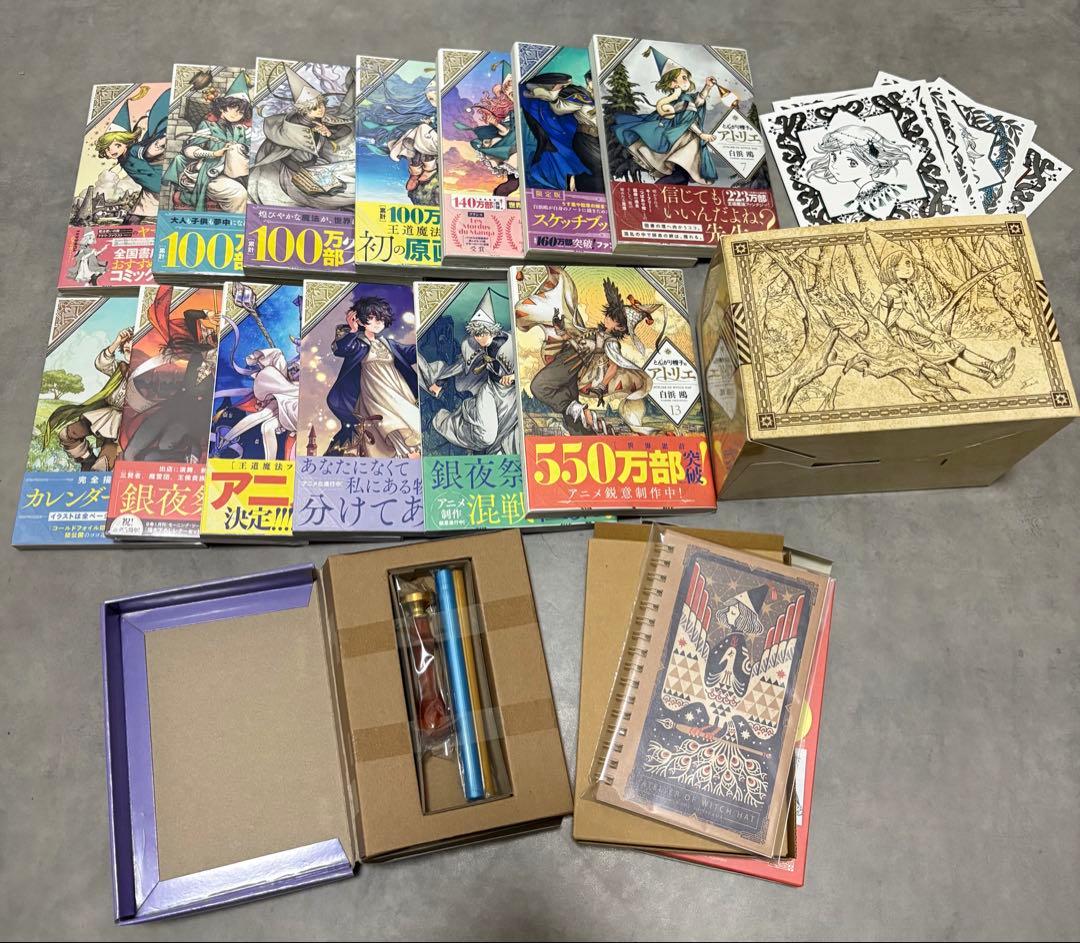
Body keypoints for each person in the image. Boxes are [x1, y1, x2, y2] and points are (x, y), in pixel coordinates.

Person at [876, 249, 1015, 388]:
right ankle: (990, 377)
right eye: (903, 264)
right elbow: (905, 323)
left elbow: (922, 317)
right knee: (948, 354)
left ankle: (994, 367)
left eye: (910, 263)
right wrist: (931, 336)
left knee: (954, 346)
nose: (909, 268)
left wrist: (935, 330)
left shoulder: (909, 288)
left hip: (919, 334)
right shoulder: (892, 292)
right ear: (892, 269)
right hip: (905, 339)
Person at [419, 290, 518, 455]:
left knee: (503, 440)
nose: (479, 338)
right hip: (490, 389)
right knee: (486, 436)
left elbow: (528, 364)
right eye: (476, 334)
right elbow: (459, 366)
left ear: (492, 330)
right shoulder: (473, 345)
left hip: (510, 398)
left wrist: (514, 376)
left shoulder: (510, 343)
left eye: (482, 333)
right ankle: (445, 419)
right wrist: (438, 383)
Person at [611, 47, 728, 186]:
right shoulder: (680, 100)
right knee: (681, 171)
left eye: (687, 77)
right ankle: (660, 191)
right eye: (683, 78)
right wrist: (701, 134)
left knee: (681, 173)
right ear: (673, 83)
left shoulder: (685, 98)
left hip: (683, 138)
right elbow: (688, 120)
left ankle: (664, 191)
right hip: (682, 139)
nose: (687, 81)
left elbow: (697, 102)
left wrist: (707, 87)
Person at [248, 65, 355, 210]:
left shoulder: (318, 120)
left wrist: (328, 133)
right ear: (304, 111)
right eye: (315, 108)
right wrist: (304, 173)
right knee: (344, 195)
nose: (321, 110)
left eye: (322, 105)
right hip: (294, 175)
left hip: (317, 167)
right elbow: (284, 156)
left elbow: (342, 128)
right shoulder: (290, 130)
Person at [325, 296, 420, 458]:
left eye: (381, 319)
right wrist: (353, 330)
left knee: (410, 417)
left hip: (398, 389)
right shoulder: (358, 343)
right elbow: (341, 349)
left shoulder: (387, 343)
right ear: (360, 320)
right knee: (388, 421)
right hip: (374, 391)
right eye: (371, 318)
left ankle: (410, 452)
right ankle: (405, 453)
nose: (377, 322)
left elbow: (410, 353)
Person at [42, 327, 133, 471]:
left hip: (125, 424)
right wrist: (116, 342)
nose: (128, 345)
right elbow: (102, 364)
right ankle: (87, 459)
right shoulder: (121, 368)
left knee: (103, 464)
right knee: (67, 434)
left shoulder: (150, 375)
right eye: (126, 342)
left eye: (132, 341)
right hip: (105, 414)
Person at [162, 72, 251, 213]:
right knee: (239, 194)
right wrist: (214, 153)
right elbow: (189, 150)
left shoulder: (241, 130)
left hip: (239, 174)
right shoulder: (208, 126)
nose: (236, 114)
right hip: (212, 174)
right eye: (233, 108)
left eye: (241, 112)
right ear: (222, 107)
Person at [94, 88, 170, 221]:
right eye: (107, 149)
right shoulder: (122, 159)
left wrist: (159, 143)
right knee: (132, 220)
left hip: (160, 185)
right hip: (150, 190)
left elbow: (147, 151)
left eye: (118, 145)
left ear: (126, 142)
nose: (112, 151)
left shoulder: (134, 150)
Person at [807, 124, 912, 217]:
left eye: (852, 163)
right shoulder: (857, 202)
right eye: (833, 157)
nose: (836, 166)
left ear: (873, 167)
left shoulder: (879, 199)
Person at [520, 72, 589, 191]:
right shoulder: (537, 102)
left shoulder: (565, 101)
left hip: (568, 140)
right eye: (562, 86)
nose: (566, 89)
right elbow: (523, 91)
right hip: (550, 143)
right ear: (550, 85)